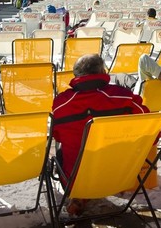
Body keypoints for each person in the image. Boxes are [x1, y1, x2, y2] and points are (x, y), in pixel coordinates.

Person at [52, 54, 149, 215]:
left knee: (63, 152)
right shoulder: (123, 96)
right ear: (102, 71)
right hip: (121, 174)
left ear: (76, 75)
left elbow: (58, 136)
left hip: (76, 180)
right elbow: (149, 128)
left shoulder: (62, 103)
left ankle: (80, 195)